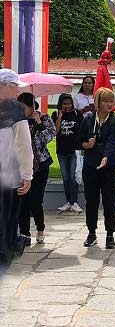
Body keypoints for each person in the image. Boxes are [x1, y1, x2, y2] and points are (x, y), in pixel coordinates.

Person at [78, 88, 115, 249]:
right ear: (97, 103)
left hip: (110, 166)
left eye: (111, 101)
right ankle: (91, 232)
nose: (109, 104)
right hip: (91, 166)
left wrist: (105, 157)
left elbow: (112, 141)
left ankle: (110, 234)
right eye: (106, 101)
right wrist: (87, 144)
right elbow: (79, 140)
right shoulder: (89, 119)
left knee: (110, 201)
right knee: (91, 201)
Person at [0, 69, 33, 268]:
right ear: (5, 85)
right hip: (8, 173)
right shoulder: (15, 109)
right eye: (14, 87)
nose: (16, 92)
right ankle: (6, 249)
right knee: (9, 215)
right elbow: (23, 145)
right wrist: (27, 174)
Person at [17, 93, 56, 246]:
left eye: (24, 107)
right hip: (21, 166)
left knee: (35, 201)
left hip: (40, 166)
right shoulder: (18, 122)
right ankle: (25, 234)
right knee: (23, 202)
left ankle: (40, 228)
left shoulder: (46, 119)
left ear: (32, 106)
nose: (21, 110)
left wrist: (39, 123)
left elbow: (48, 138)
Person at [51, 93, 84, 213]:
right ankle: (68, 201)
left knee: (73, 177)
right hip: (62, 151)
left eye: (69, 104)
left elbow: (83, 130)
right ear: (60, 104)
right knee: (65, 178)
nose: (67, 106)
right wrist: (59, 117)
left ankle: (74, 202)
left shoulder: (77, 114)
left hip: (75, 151)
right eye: (64, 104)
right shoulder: (55, 114)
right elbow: (55, 131)